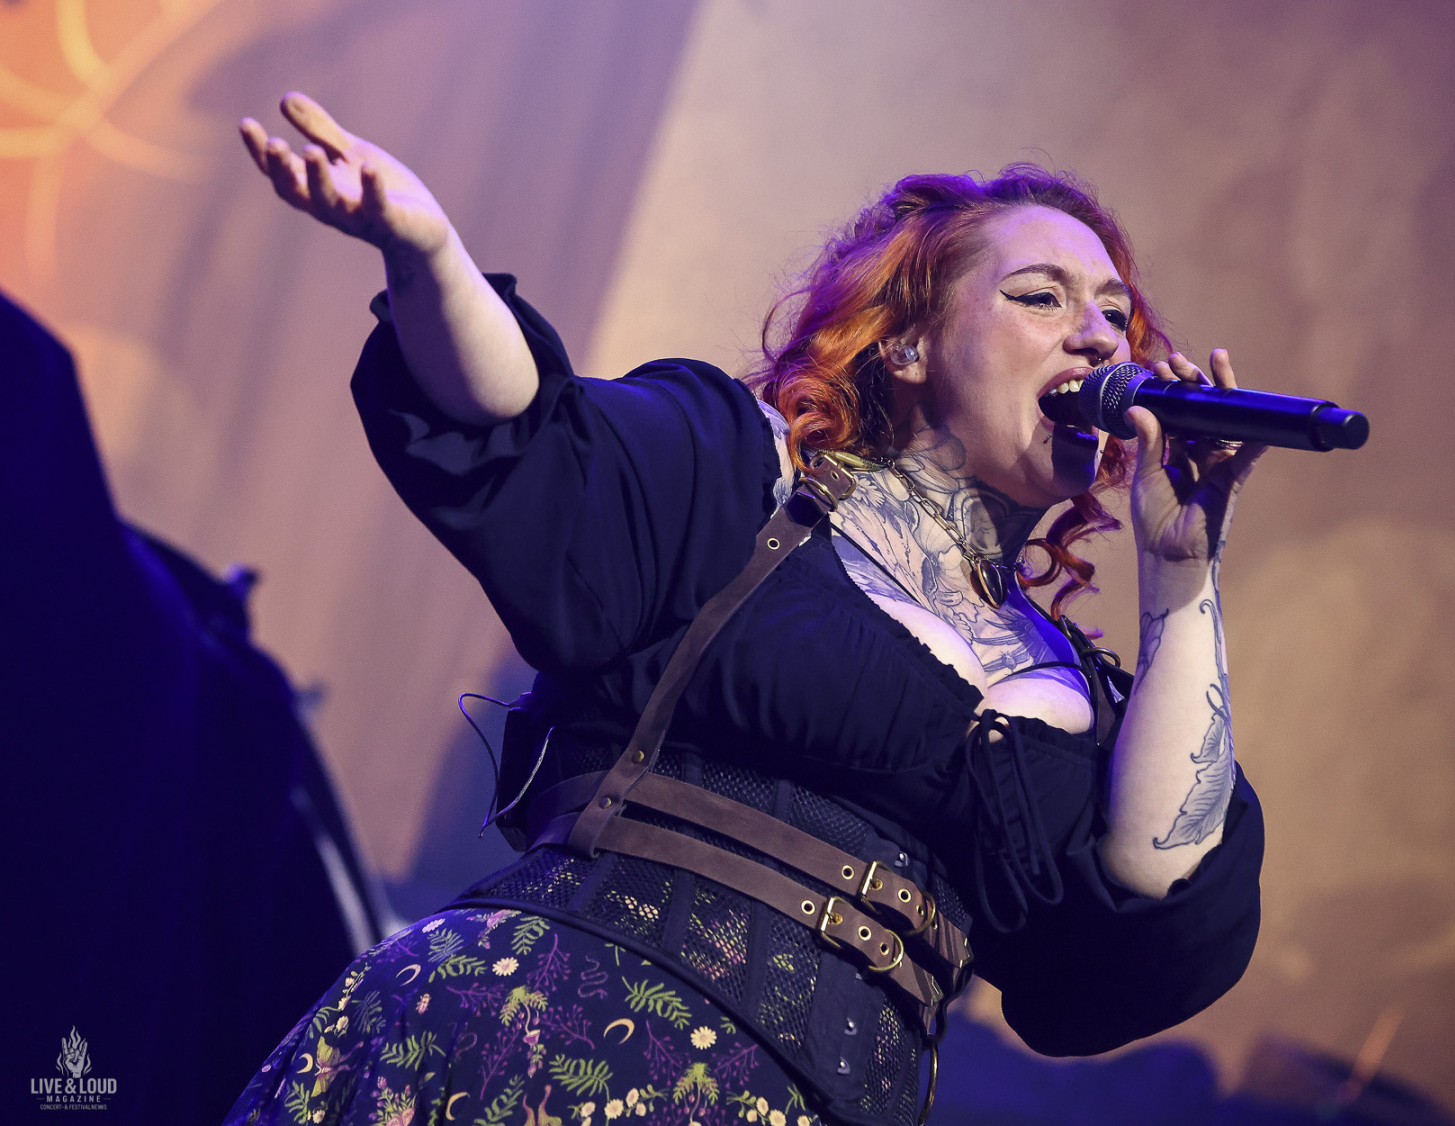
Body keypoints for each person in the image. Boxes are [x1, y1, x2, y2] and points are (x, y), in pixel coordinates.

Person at [224, 93, 1266, 1126]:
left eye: (1117, 315)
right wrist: (428, 255)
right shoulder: (745, 479)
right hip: (531, 1048)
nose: (1099, 340)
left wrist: (1184, 565)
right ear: (907, 346)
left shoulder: (1080, 693)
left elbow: (1160, 878)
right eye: (1043, 298)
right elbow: (523, 420)